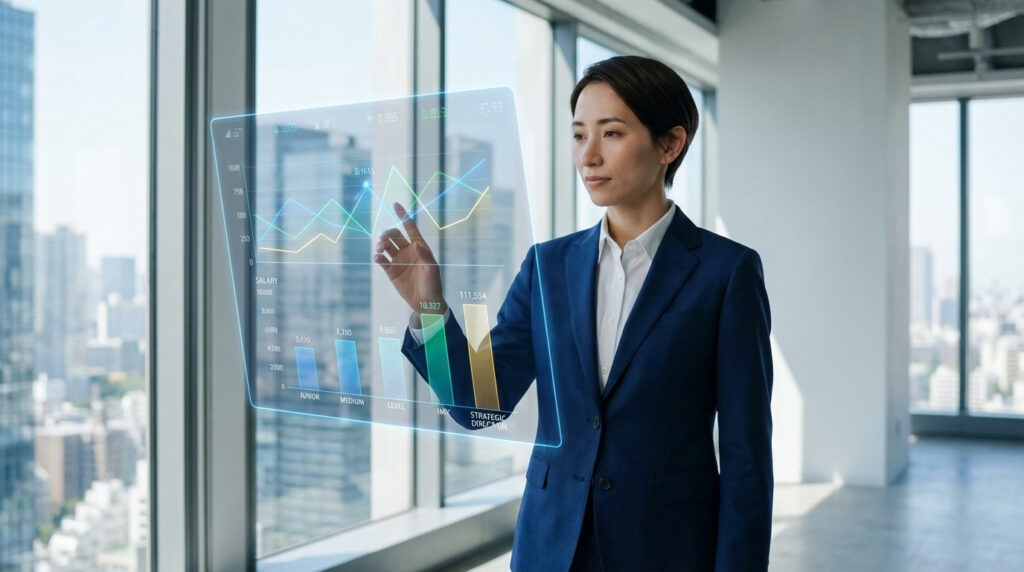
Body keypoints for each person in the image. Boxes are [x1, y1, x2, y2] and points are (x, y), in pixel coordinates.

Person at [373, 55, 773, 572]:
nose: (589, 156)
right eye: (579, 135)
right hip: (553, 544)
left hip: (667, 548)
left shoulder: (727, 272)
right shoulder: (548, 266)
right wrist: (429, 305)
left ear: (669, 144)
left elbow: (747, 458)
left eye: (611, 133)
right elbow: (480, 405)